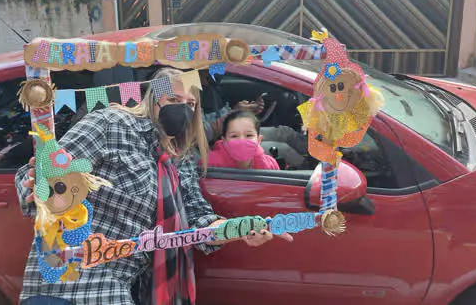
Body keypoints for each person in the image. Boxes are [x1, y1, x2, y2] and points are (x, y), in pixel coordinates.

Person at [15, 68, 291, 305]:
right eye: (172, 99)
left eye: (190, 103)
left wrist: (244, 228)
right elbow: (44, 170)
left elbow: (198, 225)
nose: (182, 108)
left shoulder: (180, 161)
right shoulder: (111, 124)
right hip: (61, 284)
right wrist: (39, 187)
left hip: (114, 288)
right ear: (153, 100)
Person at [208, 111, 280, 170]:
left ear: (259, 140)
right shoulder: (210, 163)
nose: (242, 141)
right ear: (224, 141)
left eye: (249, 135)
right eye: (234, 136)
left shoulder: (270, 165)